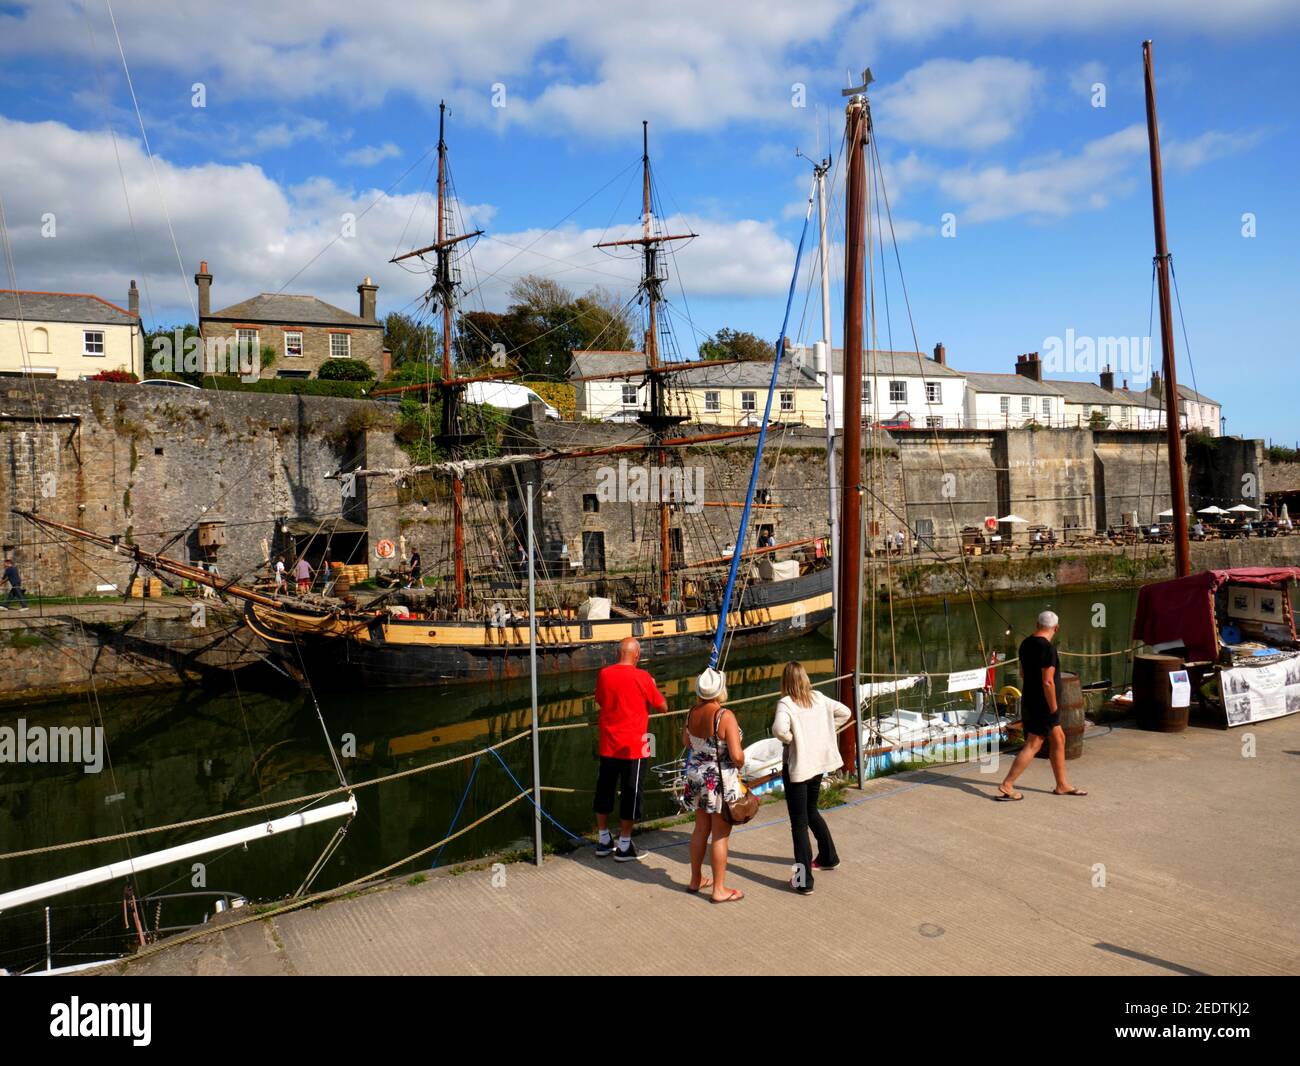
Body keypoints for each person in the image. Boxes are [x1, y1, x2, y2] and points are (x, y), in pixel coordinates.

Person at [771, 662, 850, 895]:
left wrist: (792, 738)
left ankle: (804, 879)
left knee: (798, 824)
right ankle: (829, 856)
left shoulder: (786, 703)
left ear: (785, 682)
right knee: (812, 811)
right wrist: (825, 731)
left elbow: (778, 730)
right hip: (817, 765)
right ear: (805, 678)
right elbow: (845, 712)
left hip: (798, 768)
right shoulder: (819, 698)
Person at [998, 610, 1087, 800]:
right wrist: (1054, 708)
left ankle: (1062, 784)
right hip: (1044, 704)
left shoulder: (1025, 644)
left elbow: (1023, 673)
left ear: (1037, 624)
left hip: (1029, 699)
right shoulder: (1047, 649)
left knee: (1059, 738)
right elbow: (1048, 682)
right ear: (1057, 627)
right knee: (1033, 744)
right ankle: (1007, 784)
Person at [593, 637, 666, 862]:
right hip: (636, 746)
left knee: (604, 789)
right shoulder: (643, 677)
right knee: (632, 794)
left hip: (608, 744)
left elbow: (600, 701)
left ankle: (604, 838)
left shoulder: (604, 674)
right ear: (637, 655)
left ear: (618, 654)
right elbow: (663, 707)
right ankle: (624, 844)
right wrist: (651, 687)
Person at [682, 668, 746, 903]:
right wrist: (740, 762)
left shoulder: (691, 713)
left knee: (700, 829)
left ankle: (695, 879)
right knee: (720, 835)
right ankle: (719, 889)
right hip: (718, 780)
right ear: (721, 689)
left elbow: (686, 742)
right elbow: (737, 755)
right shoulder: (724, 715)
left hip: (697, 777)